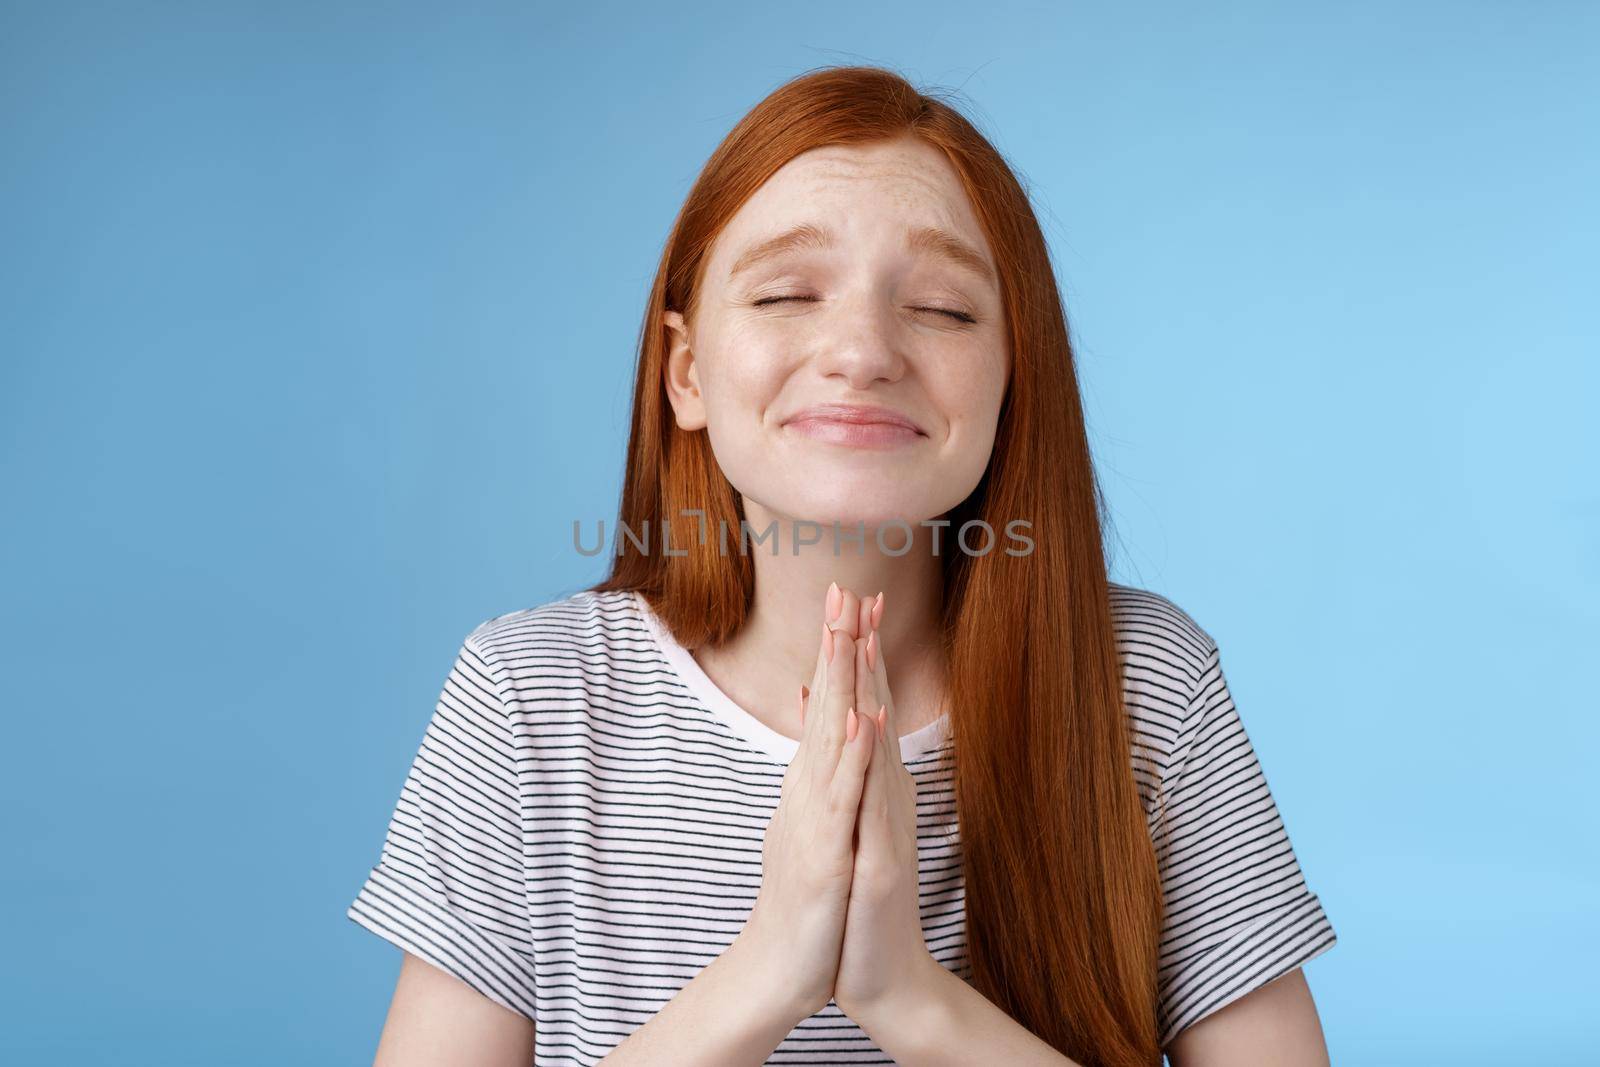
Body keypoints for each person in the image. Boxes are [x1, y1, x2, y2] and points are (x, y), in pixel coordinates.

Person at [346, 65, 1337, 1066]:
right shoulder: (532, 692)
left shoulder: (1145, 683)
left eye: (945, 310)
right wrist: (770, 969)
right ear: (685, 373)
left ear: (1011, 378)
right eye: (785, 292)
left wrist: (906, 996)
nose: (861, 349)